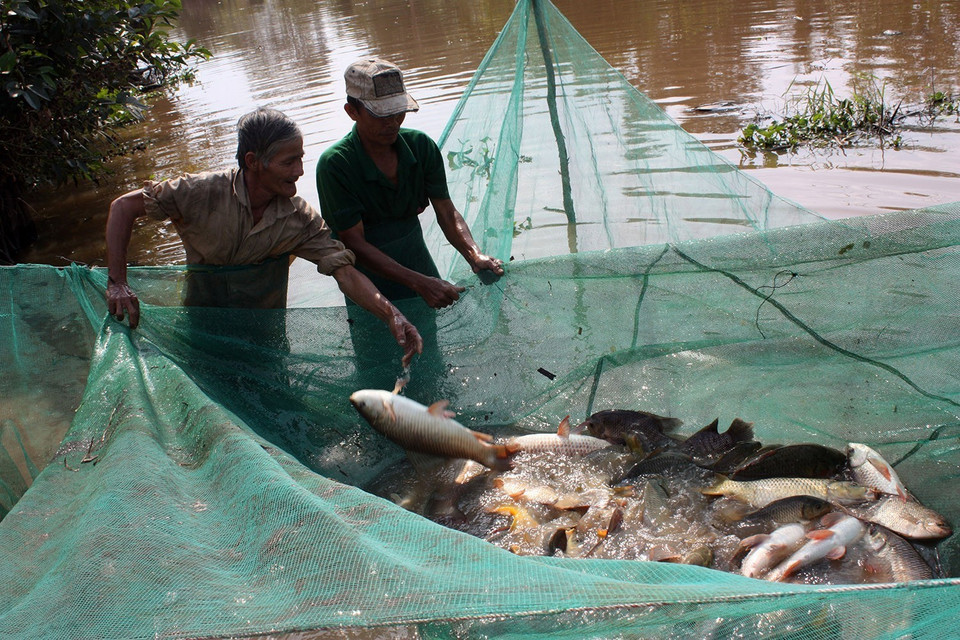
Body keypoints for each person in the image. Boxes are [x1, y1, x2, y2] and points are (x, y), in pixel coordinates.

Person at [105, 107, 423, 366]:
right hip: (202, 335)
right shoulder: (200, 192)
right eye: (289, 161)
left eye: (300, 158)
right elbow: (122, 208)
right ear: (253, 162)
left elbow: (346, 273)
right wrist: (117, 282)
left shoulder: (299, 220)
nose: (300, 171)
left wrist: (391, 315)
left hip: (267, 345)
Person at [315, 57, 504, 309]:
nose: (392, 122)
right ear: (352, 112)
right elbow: (354, 243)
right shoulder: (336, 164)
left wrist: (473, 254)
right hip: (369, 289)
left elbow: (447, 212)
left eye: (398, 112)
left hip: (421, 268)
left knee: (430, 344)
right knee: (380, 345)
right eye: (381, 115)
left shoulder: (421, 147)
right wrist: (421, 283)